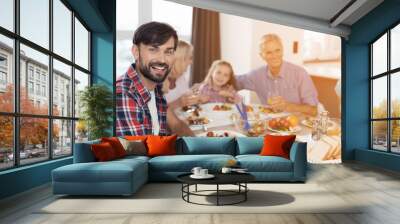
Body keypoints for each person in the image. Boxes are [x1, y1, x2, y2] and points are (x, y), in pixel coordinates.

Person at [116, 22, 194, 136]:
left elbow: (176, 125)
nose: (162, 60)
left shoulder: (156, 87)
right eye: (153, 49)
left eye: (168, 51)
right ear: (136, 52)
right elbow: (144, 151)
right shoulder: (124, 94)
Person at [236, 34, 319, 116]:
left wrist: (288, 106)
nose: (274, 56)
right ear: (261, 55)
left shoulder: (300, 73)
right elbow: (233, 81)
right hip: (270, 124)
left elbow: (313, 110)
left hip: (298, 125)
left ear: (282, 50)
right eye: (269, 52)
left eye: (277, 50)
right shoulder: (256, 75)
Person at [162, 40, 208, 109]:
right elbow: (152, 114)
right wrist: (177, 103)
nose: (191, 62)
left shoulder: (181, 77)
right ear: (179, 60)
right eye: (190, 58)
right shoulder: (157, 81)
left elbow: (185, 97)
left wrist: (196, 96)